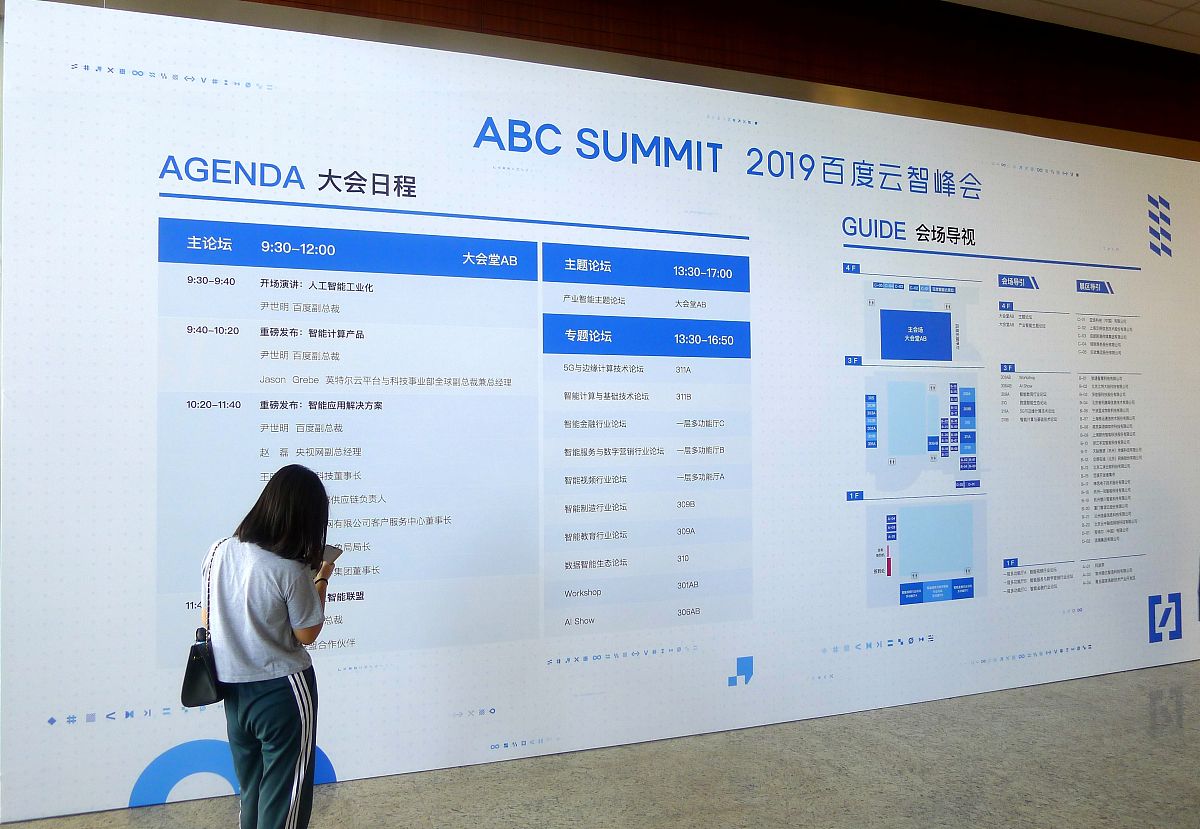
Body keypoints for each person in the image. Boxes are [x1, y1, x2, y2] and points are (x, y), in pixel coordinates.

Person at [201, 464, 333, 829]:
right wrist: (322, 579)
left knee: (253, 788)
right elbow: (307, 633)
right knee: (285, 795)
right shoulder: (289, 568)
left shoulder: (219, 551)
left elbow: (207, 618)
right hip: (282, 690)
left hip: (232, 688)